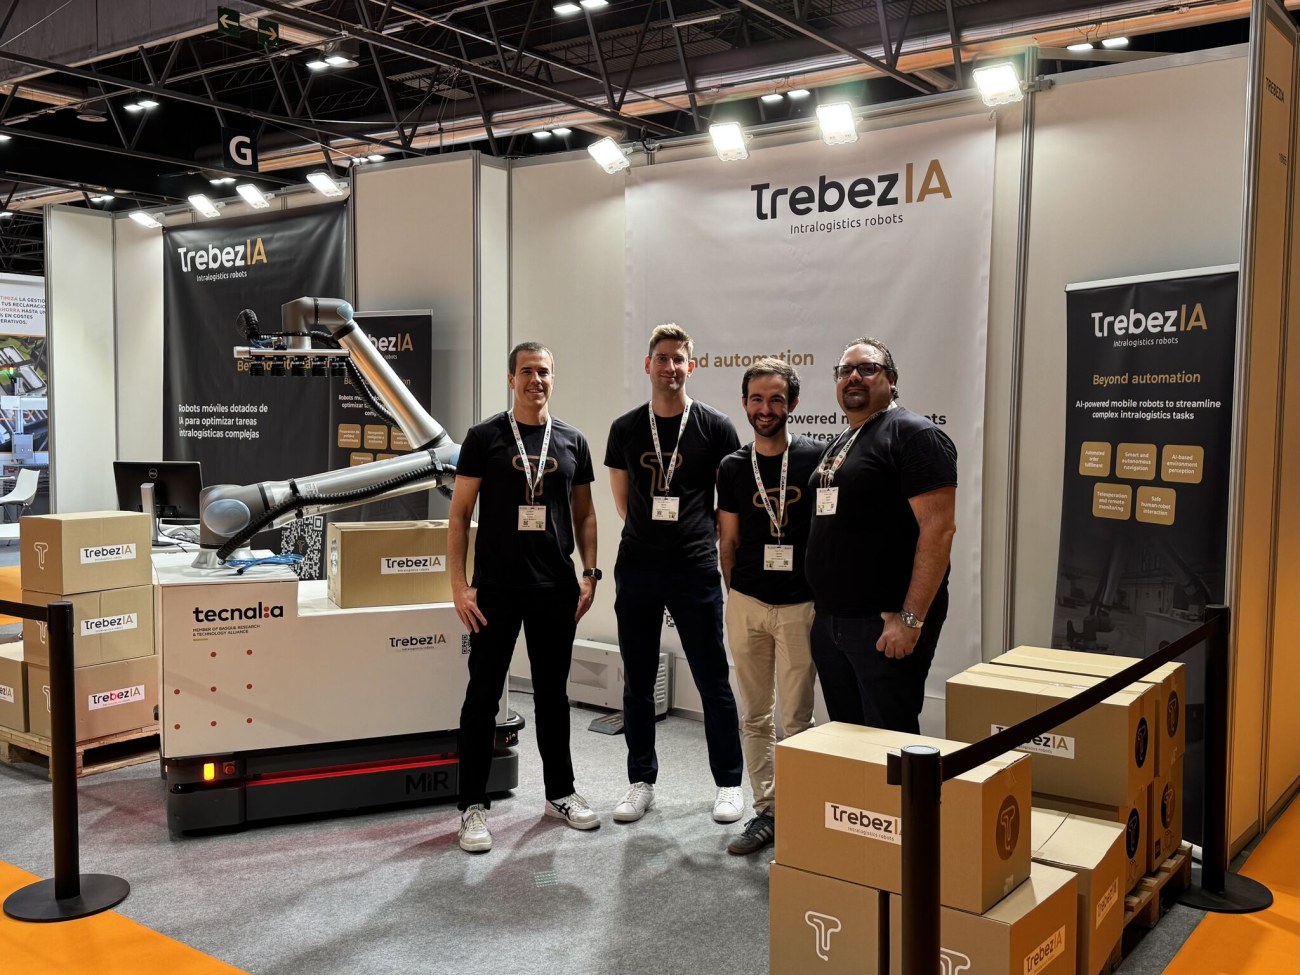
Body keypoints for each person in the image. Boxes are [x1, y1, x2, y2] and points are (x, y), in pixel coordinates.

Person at [449, 342, 602, 853]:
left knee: (553, 696)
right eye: (527, 371)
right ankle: (472, 806)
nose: (537, 379)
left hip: (555, 588)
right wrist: (458, 585)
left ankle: (560, 793)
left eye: (545, 372)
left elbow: (585, 513)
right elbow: (459, 515)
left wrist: (590, 573)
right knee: (482, 697)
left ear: (553, 378)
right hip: (494, 589)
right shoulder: (483, 437)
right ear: (511, 379)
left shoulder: (573, 440)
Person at [605, 323, 744, 824]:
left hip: (695, 569)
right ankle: (640, 781)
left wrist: (698, 542)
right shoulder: (625, 428)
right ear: (648, 365)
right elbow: (624, 503)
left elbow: (727, 506)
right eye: (662, 358)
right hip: (638, 568)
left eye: (678, 359)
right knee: (638, 682)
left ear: (692, 366)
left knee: (712, 679)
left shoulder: (717, 427)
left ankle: (729, 784)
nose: (670, 367)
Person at [804, 338, 957, 734]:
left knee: (889, 739)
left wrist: (910, 619)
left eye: (867, 368)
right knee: (848, 738)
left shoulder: (914, 434)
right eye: (845, 371)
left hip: (883, 624)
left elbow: (938, 532)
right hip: (833, 621)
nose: (854, 376)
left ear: (892, 380)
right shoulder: (842, 441)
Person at [716, 358, 823, 855]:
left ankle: (801, 810)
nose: (765, 408)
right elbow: (729, 540)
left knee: (797, 718)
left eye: (776, 399)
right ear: (744, 403)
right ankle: (767, 810)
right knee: (755, 715)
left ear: (792, 404)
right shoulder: (733, 467)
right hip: (747, 603)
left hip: (800, 605)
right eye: (757, 399)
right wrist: (737, 594)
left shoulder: (817, 459)